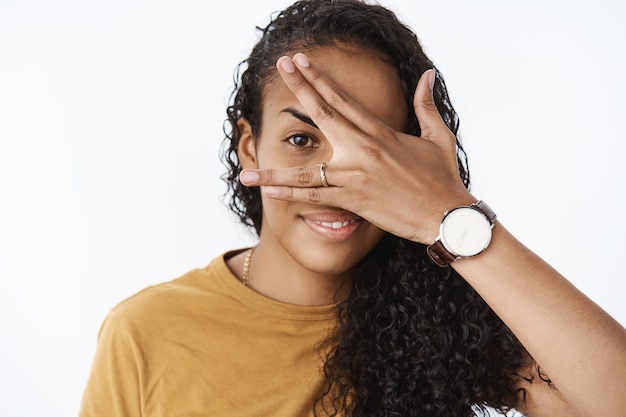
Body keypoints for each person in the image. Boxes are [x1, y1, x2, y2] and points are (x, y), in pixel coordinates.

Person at [80, 0, 626, 416]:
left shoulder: (439, 321)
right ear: (250, 145)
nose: (340, 181)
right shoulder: (146, 332)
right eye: (302, 139)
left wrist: (449, 214)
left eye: (377, 149)